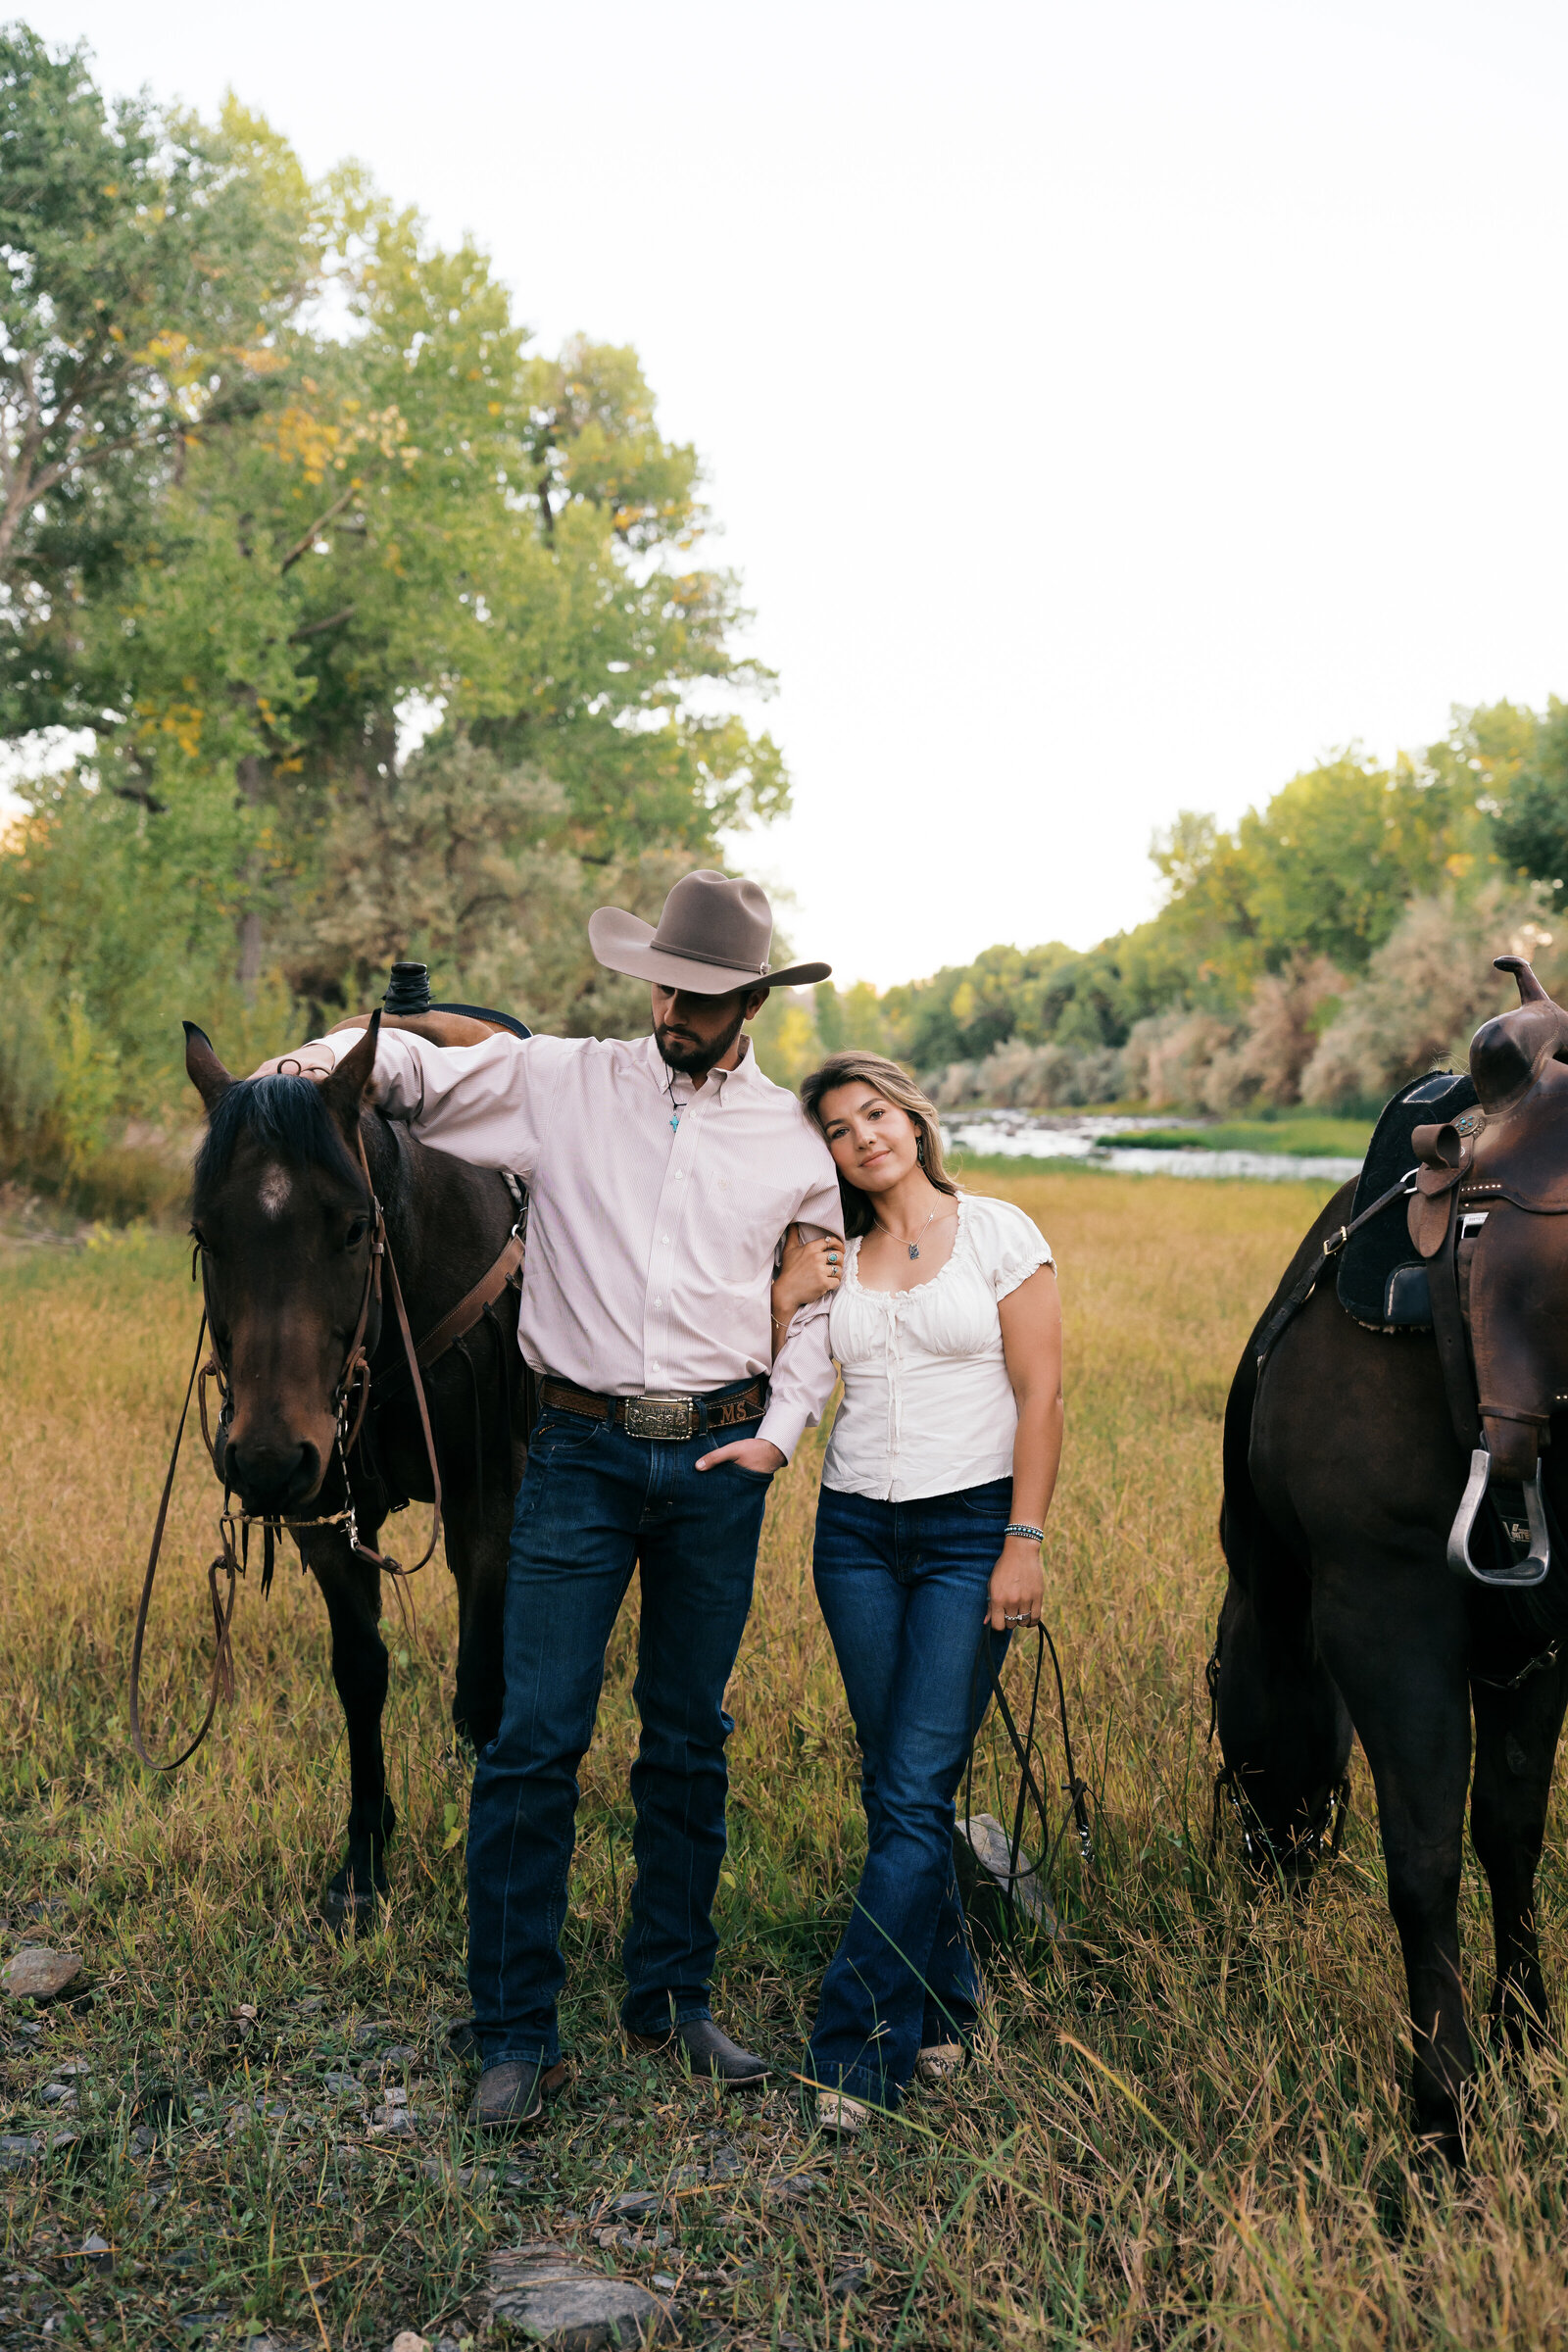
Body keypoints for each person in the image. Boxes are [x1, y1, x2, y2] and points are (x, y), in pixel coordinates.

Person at [264, 872, 845, 2127]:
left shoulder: (792, 1142)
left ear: (749, 999)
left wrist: (782, 1435)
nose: (677, 1008)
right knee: (532, 1745)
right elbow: (410, 1073)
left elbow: (819, 1301)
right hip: (575, 1452)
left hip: (716, 1458)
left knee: (688, 1743)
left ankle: (673, 2002)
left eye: (704, 994)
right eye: (666, 985)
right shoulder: (566, 1082)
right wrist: (287, 1075)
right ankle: (515, 2032)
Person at [769, 1051, 1063, 2132]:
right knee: (894, 1778)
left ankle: (855, 2047)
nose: (863, 1138)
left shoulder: (996, 1230)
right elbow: (769, 1374)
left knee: (908, 1786)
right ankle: (946, 2002)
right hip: (851, 1532)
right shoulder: (832, 1250)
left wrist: (1020, 1542)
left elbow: (1041, 1397)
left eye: (875, 1113)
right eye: (840, 1130)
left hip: (965, 1532)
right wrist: (784, 1295)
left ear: (912, 1116)